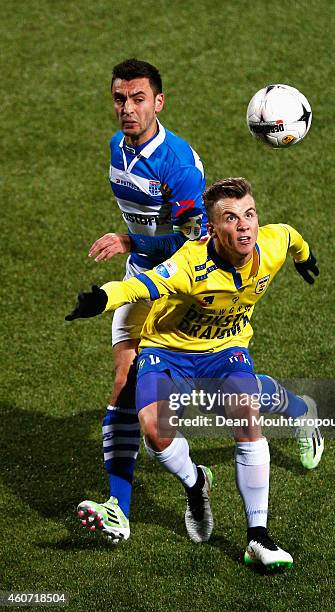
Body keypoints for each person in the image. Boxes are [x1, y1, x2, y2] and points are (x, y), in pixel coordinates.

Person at [67, 177, 321, 569]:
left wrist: (304, 258)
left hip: (226, 349)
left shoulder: (271, 244)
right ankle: (196, 482)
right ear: (213, 229)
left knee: (246, 416)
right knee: (155, 432)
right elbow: (139, 288)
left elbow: (291, 237)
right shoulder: (190, 264)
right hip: (169, 351)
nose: (244, 226)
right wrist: (101, 298)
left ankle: (258, 538)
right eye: (231, 219)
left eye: (249, 215)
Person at [86, 58, 208, 538]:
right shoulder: (118, 147)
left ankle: (296, 411)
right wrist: (129, 240)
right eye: (120, 99)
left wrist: (145, 245)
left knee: (213, 388)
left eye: (138, 99)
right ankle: (119, 508)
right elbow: (147, 223)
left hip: (178, 286)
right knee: (124, 384)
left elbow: (195, 240)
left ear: (159, 102)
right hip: (139, 276)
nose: (127, 109)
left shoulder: (177, 164)